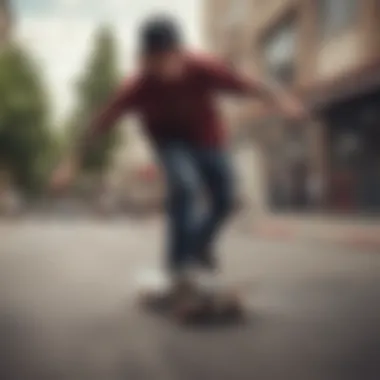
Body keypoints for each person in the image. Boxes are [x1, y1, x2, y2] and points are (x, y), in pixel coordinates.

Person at [51, 15, 307, 296]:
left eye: (169, 59)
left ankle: (198, 246)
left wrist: (284, 101)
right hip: (169, 142)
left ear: (181, 53)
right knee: (184, 185)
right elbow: (100, 122)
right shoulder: (137, 86)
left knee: (225, 197)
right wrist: (70, 162)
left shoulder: (203, 67)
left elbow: (250, 84)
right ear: (143, 60)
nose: (163, 69)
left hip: (209, 138)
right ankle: (178, 266)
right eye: (155, 61)